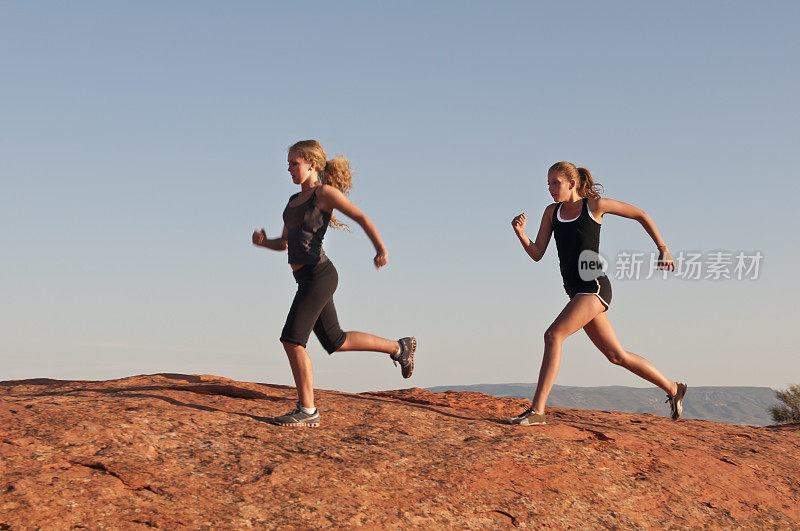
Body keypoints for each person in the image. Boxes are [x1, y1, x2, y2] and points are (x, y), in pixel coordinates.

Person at [252, 140, 416, 427]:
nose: (289, 169)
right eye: (288, 164)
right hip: (305, 278)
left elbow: (360, 216)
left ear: (311, 165)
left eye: (294, 163)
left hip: (319, 275)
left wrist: (380, 249)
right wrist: (266, 244)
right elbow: (286, 244)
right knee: (335, 340)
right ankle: (398, 348)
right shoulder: (292, 202)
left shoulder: (324, 194)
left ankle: (307, 410)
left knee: (292, 340)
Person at [509, 161, 686, 426]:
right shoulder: (551, 213)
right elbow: (537, 254)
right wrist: (521, 234)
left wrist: (662, 247)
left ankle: (537, 411)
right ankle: (673, 388)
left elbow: (640, 214)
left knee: (553, 335)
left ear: (572, 183)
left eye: (555, 182)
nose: (550, 188)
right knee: (616, 356)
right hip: (575, 292)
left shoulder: (594, 206)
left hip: (594, 287)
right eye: (548, 183)